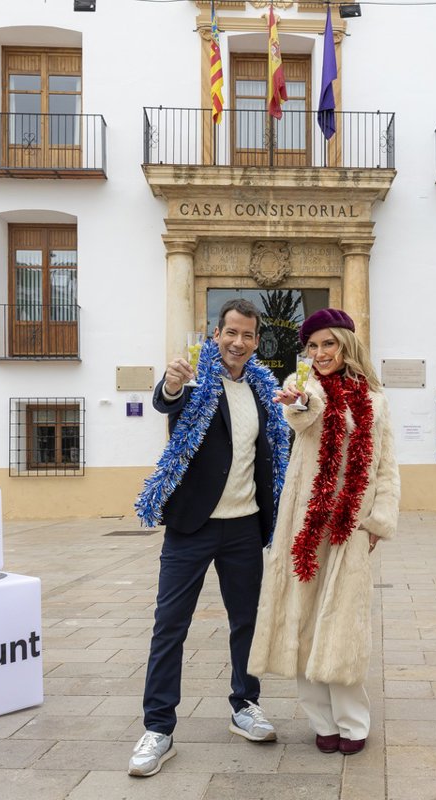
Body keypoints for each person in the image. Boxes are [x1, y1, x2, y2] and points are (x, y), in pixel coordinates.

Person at [129, 299, 290, 777]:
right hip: (192, 527)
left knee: (247, 623)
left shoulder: (264, 390)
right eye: (230, 333)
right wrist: (171, 383)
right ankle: (158, 727)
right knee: (170, 626)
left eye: (247, 335)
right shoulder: (195, 380)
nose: (238, 342)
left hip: (245, 526)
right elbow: (167, 399)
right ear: (215, 334)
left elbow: (276, 447)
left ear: (256, 342)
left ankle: (246, 705)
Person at [248, 307, 400, 756]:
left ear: (346, 345)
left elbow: (386, 464)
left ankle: (353, 721)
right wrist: (298, 401)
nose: (319, 353)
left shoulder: (375, 400)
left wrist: (379, 520)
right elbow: (300, 414)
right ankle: (321, 720)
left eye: (327, 344)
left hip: (351, 523)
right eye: (312, 346)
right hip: (304, 521)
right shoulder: (306, 387)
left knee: (342, 620)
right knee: (302, 617)